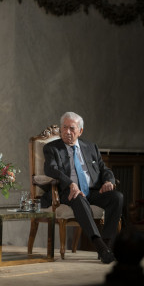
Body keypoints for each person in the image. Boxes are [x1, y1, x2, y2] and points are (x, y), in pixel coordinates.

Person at [43, 112, 123, 264]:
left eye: (72, 128)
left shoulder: (90, 147)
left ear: (80, 131)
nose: (67, 132)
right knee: (78, 198)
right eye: (64, 127)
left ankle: (107, 245)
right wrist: (70, 183)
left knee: (117, 197)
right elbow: (51, 169)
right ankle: (99, 246)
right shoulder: (51, 148)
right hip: (66, 192)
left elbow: (104, 169)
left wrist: (108, 181)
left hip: (92, 191)